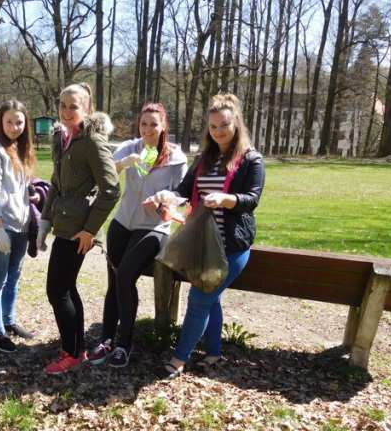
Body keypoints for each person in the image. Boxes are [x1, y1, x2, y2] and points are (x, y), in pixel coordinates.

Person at [149, 93, 265, 378]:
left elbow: (252, 199)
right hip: (203, 244)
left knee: (200, 298)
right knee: (210, 298)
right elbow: (186, 190)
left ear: (236, 123)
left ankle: (179, 358)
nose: (218, 132)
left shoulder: (251, 160)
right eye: (213, 127)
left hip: (233, 246)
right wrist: (169, 197)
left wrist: (226, 199)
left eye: (224, 125)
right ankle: (213, 353)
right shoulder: (204, 159)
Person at [87, 102, 187, 368]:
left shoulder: (175, 156)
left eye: (154, 124)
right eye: (144, 124)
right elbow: (104, 171)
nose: (148, 129)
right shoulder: (131, 148)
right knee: (114, 282)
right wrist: (123, 163)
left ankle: (124, 344)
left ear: (163, 125)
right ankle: (106, 339)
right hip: (122, 223)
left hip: (153, 228)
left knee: (125, 276)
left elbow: (182, 195)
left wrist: (167, 197)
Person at [37, 82, 120, 374]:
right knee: (65, 287)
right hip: (63, 225)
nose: (67, 111)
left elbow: (111, 190)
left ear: (87, 108)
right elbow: (56, 185)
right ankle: (75, 347)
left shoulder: (93, 142)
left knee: (57, 290)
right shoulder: (63, 140)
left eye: (74, 106)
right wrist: (43, 225)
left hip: (78, 231)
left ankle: (72, 352)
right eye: (63, 105)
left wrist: (90, 231)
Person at [0, 100, 37, 353]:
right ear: (0, 122)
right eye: (9, 122)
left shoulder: (19, 148)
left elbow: (15, 186)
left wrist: (30, 195)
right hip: (2, 225)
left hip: (21, 225)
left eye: (19, 122)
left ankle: (10, 320)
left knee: (14, 277)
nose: (14, 127)